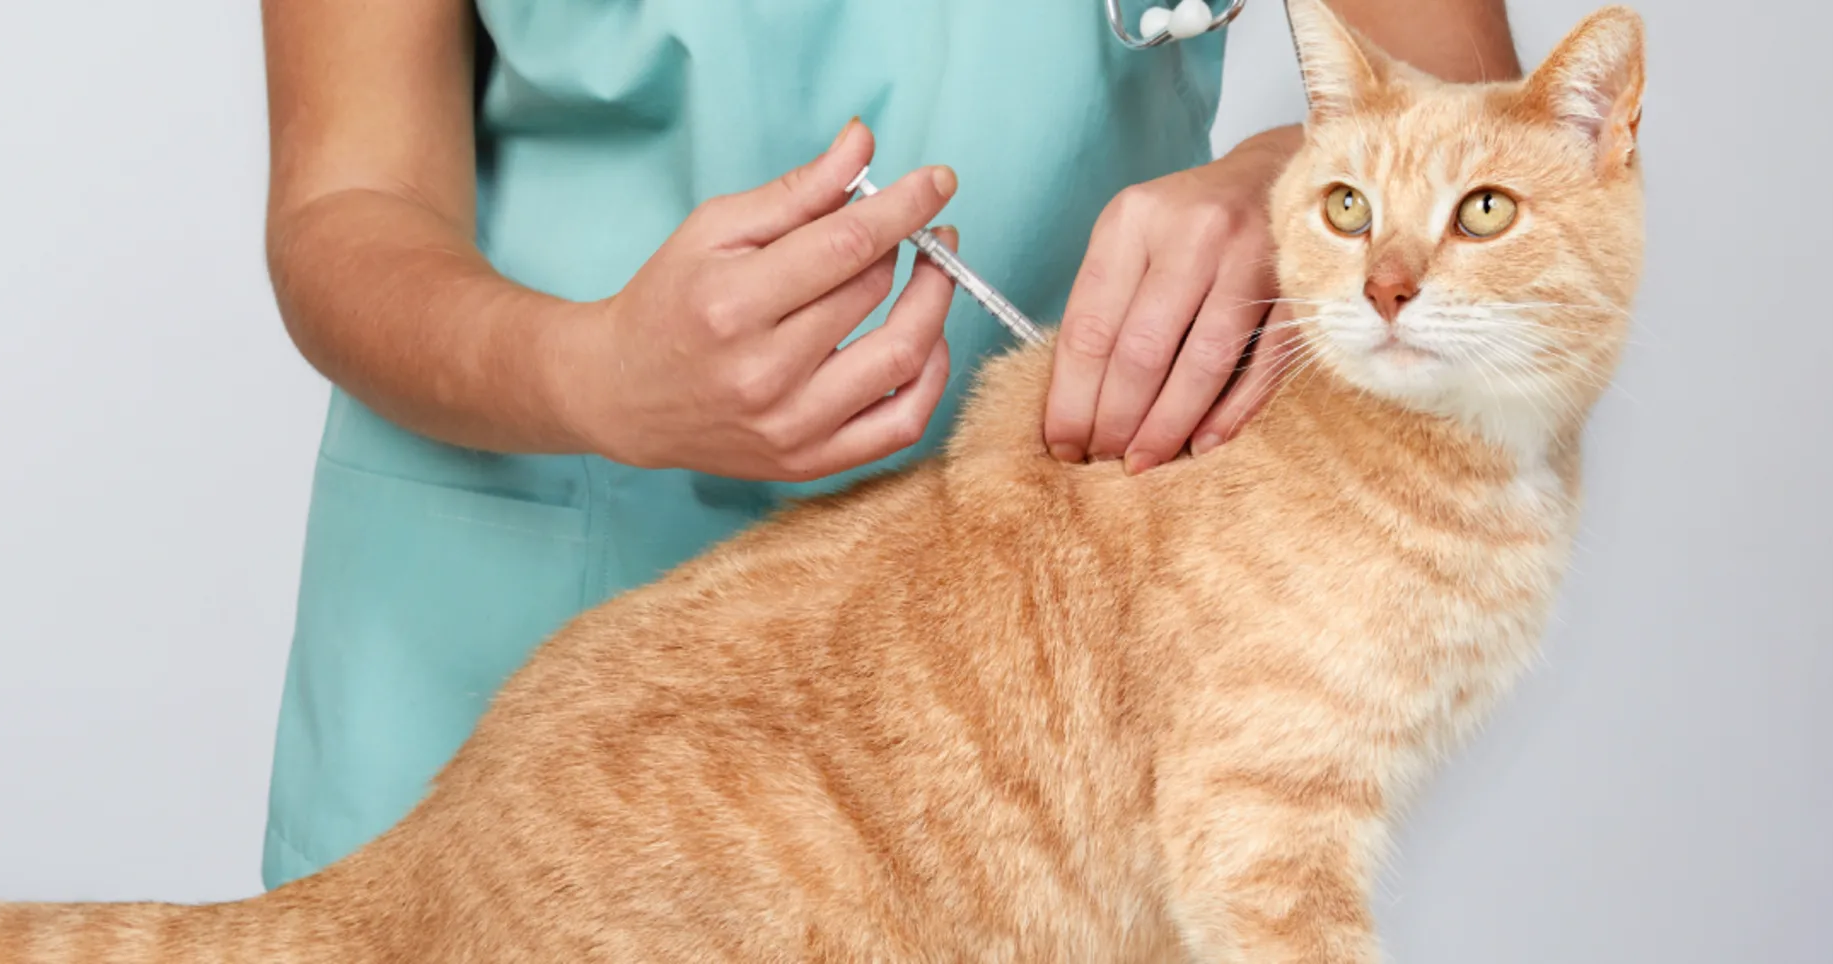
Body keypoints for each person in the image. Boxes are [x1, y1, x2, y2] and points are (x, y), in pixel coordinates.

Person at [256, 0, 1520, 889]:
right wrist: (589, 376)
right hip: (510, 619)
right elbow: (345, 201)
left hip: (1046, 682)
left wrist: (1279, 182)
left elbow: (1468, 101)